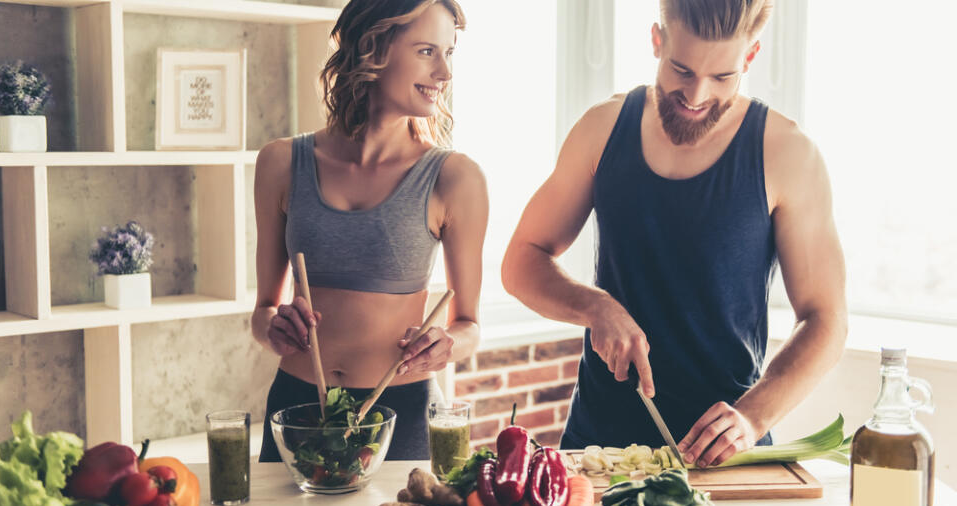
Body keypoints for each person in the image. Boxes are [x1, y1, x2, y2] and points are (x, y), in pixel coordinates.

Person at [501, 0, 847, 468]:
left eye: (722, 77)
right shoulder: (601, 128)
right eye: (681, 70)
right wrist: (595, 306)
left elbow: (825, 320)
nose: (697, 95)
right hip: (599, 448)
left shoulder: (789, 153)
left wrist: (752, 418)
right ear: (656, 41)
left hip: (722, 456)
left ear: (749, 58)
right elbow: (522, 259)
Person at [252, 0, 488, 461]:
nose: (444, 72)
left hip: (400, 412)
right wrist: (273, 327)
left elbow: (470, 324)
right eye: (426, 51)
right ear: (372, 48)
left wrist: (447, 344)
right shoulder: (280, 163)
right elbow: (262, 312)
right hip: (297, 407)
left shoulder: (455, 178)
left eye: (449, 53)